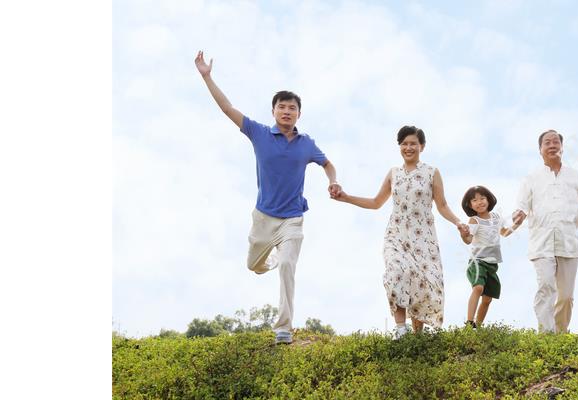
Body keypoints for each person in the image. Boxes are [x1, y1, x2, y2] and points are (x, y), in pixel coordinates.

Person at [194, 50, 341, 344]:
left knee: (288, 265)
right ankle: (270, 257)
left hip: (292, 219)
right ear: (273, 111)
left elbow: (328, 164)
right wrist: (207, 77)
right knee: (253, 265)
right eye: (281, 107)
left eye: (292, 108)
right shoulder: (258, 133)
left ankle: (283, 328)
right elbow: (227, 108)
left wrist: (333, 181)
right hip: (263, 218)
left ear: (299, 114)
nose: (287, 111)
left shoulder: (306, 143)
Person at [333, 126, 466, 339]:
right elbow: (376, 202)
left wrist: (458, 222)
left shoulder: (432, 172)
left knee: (421, 283)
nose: (408, 147)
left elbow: (442, 205)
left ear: (422, 146)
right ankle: (401, 329)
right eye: (404, 144)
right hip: (396, 235)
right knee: (396, 272)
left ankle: (417, 337)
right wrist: (346, 197)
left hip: (423, 238)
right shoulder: (393, 173)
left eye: (413, 143)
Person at [512, 129, 578, 333]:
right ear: (540, 150)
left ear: (562, 147)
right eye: (547, 142)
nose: (552, 145)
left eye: (555, 142)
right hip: (542, 243)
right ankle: (546, 334)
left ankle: (560, 333)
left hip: (568, 243)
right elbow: (521, 207)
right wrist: (519, 215)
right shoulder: (531, 179)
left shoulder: (575, 176)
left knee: (566, 296)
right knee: (546, 287)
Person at [458, 185, 517, 329]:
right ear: (470, 205)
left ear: (488, 200)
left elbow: (504, 232)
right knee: (478, 288)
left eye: (482, 198)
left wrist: (517, 223)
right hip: (477, 262)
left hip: (492, 264)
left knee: (487, 299)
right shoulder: (475, 220)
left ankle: (477, 327)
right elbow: (469, 240)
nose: (479, 202)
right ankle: (469, 323)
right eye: (474, 200)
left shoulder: (496, 217)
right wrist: (463, 234)